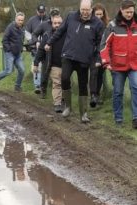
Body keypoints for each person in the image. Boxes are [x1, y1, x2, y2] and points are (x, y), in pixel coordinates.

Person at [45, 0, 104, 123]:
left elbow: (100, 44)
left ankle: (84, 114)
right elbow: (60, 31)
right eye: (83, 9)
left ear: (91, 9)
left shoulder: (97, 23)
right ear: (80, 8)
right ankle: (67, 107)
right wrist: (49, 42)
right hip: (68, 55)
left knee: (83, 86)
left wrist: (98, 58)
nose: (85, 12)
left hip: (84, 59)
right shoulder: (71, 17)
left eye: (87, 10)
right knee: (64, 78)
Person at [100, 0, 137, 128]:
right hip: (117, 65)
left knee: (136, 88)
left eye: (131, 12)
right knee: (118, 92)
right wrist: (106, 62)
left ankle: (136, 118)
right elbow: (104, 45)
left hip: (134, 65)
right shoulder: (113, 25)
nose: (129, 14)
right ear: (121, 10)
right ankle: (119, 119)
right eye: (127, 12)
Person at [34, 15, 65, 113]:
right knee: (57, 83)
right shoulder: (47, 35)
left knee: (65, 83)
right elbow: (41, 50)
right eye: (55, 23)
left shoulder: (67, 34)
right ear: (52, 24)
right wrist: (36, 63)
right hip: (53, 64)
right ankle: (57, 103)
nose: (57, 25)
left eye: (59, 23)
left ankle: (63, 100)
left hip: (66, 64)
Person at [0, 12, 25, 92]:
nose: (20, 22)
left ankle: (17, 86)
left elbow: (21, 39)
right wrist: (9, 49)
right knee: (8, 71)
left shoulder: (22, 28)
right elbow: (4, 40)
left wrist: (21, 48)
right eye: (19, 20)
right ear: (15, 19)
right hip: (10, 53)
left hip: (18, 54)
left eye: (22, 20)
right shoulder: (10, 27)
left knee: (22, 70)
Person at [32, 8, 61, 98]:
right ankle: (43, 90)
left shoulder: (63, 28)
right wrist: (36, 41)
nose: (56, 23)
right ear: (50, 17)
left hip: (58, 56)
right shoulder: (44, 25)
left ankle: (60, 96)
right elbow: (34, 34)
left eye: (56, 16)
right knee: (45, 74)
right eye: (52, 16)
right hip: (46, 54)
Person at [89, 3, 110, 107]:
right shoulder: (90, 24)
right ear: (93, 14)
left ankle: (97, 95)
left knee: (100, 75)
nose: (99, 16)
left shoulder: (107, 25)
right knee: (94, 73)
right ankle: (92, 95)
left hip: (103, 53)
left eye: (100, 14)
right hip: (92, 53)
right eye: (97, 14)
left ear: (103, 14)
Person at [26, 5, 48, 94]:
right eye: (40, 12)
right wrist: (33, 41)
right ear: (37, 11)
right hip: (36, 47)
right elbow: (27, 33)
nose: (41, 14)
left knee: (45, 67)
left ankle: (44, 85)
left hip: (47, 47)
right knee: (36, 65)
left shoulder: (49, 20)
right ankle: (37, 85)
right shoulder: (32, 20)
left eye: (43, 12)